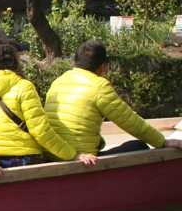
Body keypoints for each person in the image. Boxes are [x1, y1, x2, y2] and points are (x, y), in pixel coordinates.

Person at [0, 37, 96, 168]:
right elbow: (40, 130)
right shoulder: (24, 87)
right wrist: (72, 154)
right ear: (13, 59)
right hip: (23, 158)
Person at [45, 40, 182, 156]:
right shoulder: (99, 87)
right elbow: (130, 121)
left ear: (75, 62)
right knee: (139, 145)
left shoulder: (58, 81)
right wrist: (163, 142)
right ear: (104, 66)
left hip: (54, 154)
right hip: (83, 157)